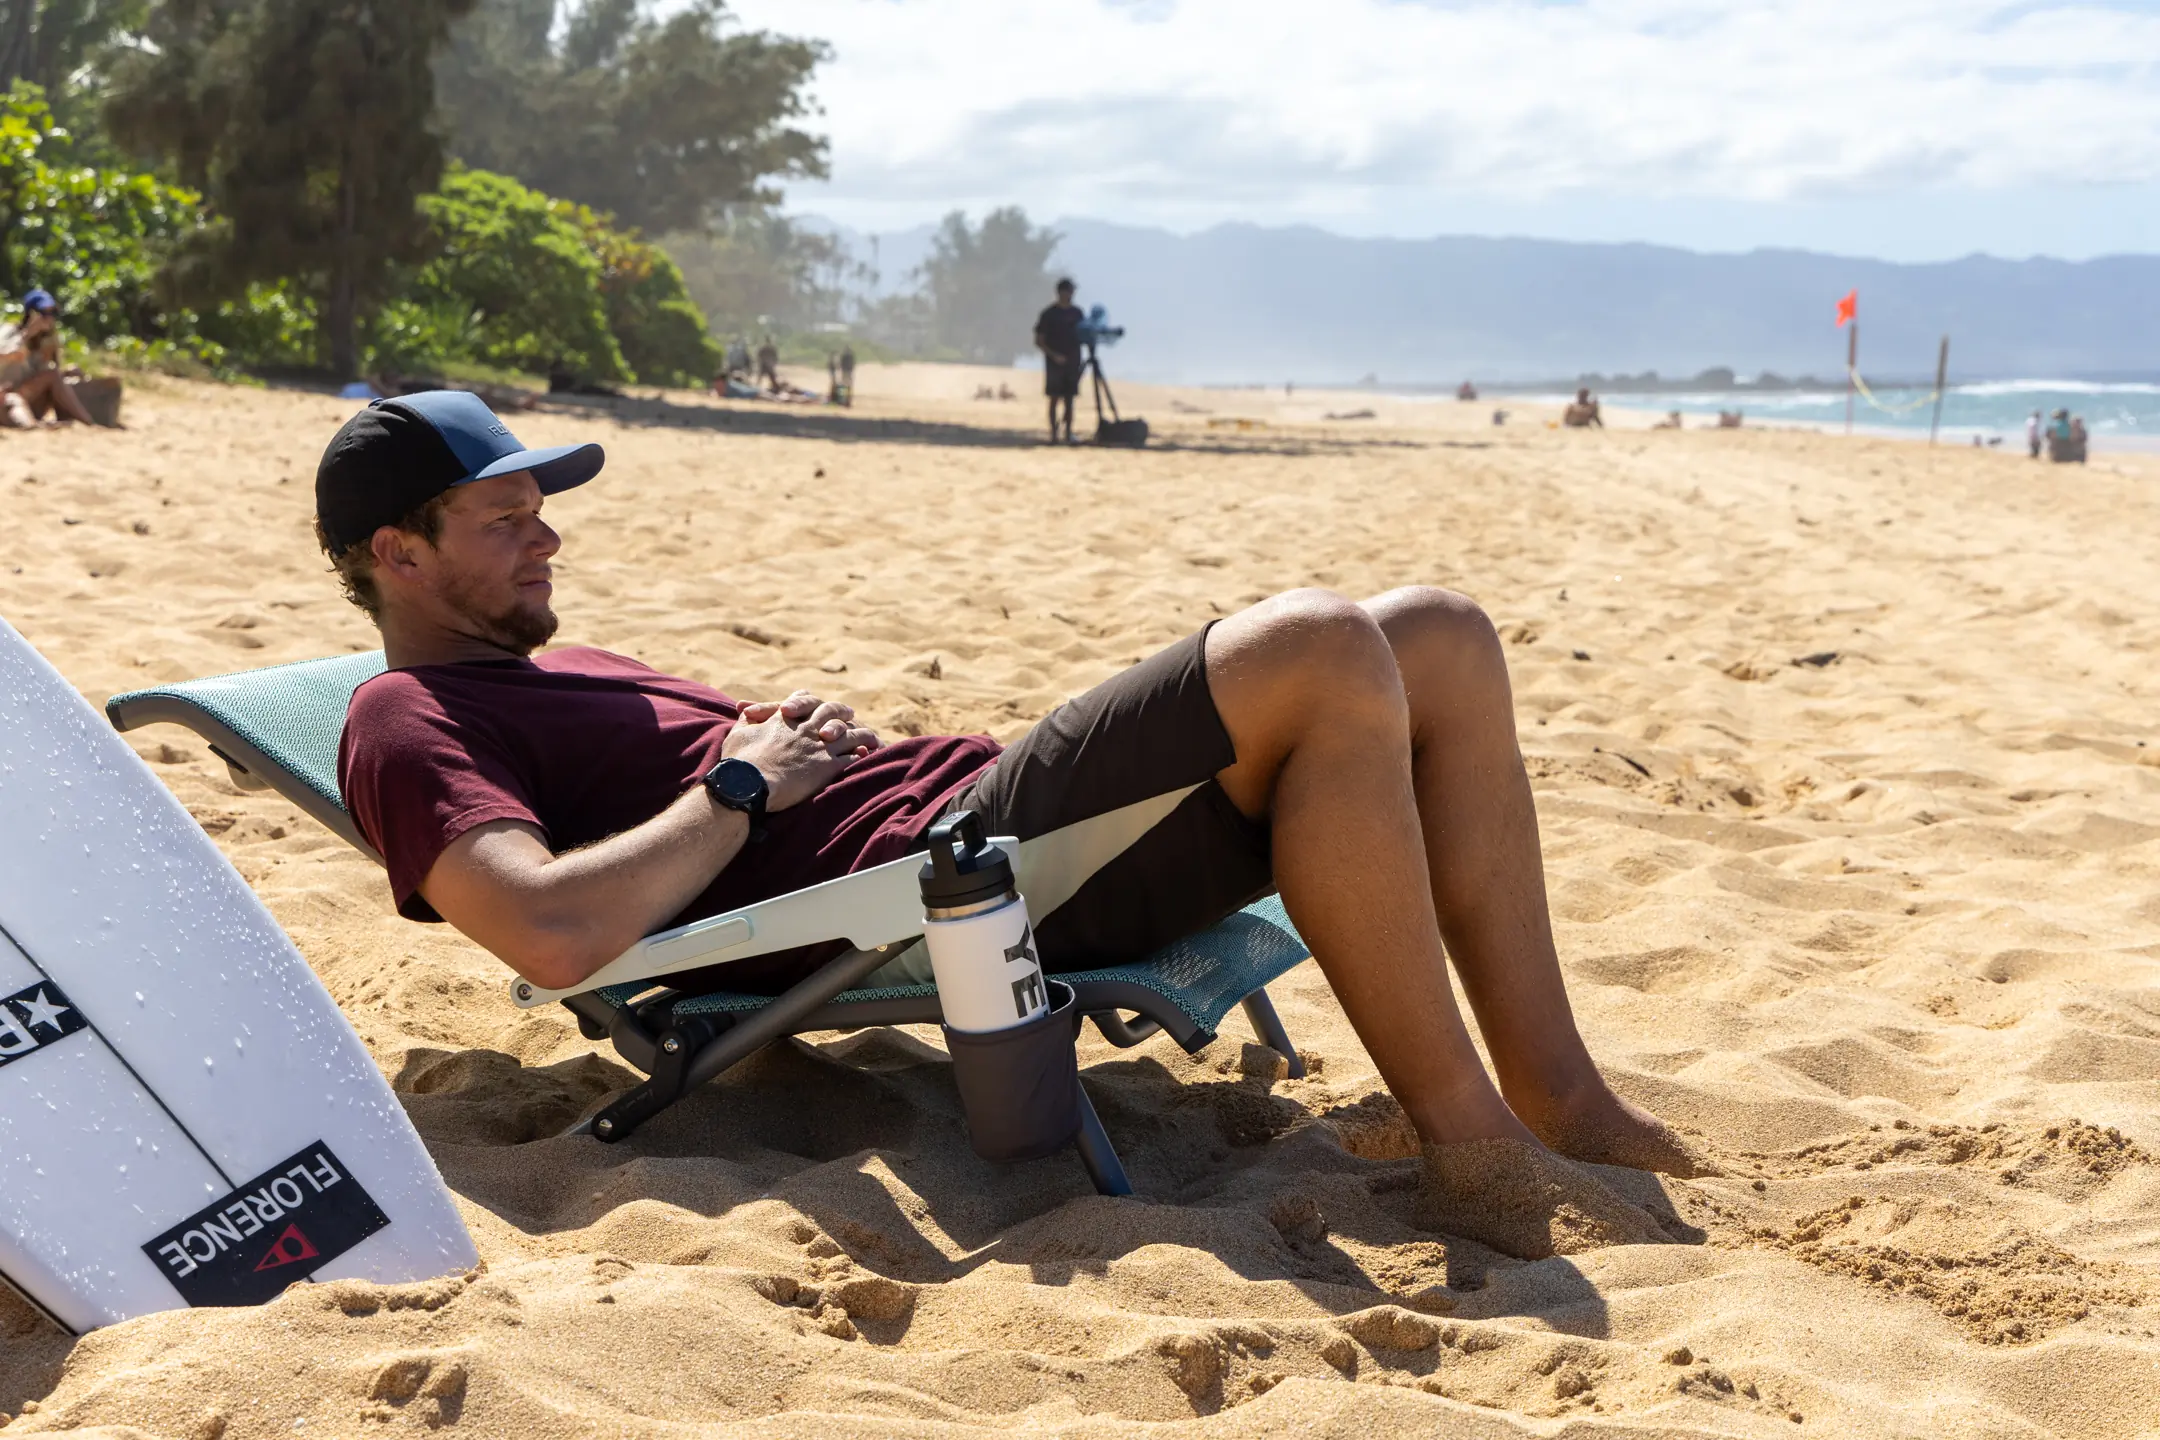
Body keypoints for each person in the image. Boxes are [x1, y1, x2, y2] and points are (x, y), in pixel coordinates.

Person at [314, 391, 1711, 1261]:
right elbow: (549, 931)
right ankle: (1471, 1148)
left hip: (975, 816)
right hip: (956, 877)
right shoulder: (405, 722)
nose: (547, 537)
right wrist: (741, 787)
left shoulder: (539, 672)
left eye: (542, 513)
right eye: (505, 521)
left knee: (1446, 638)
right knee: (1325, 642)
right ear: (401, 554)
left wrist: (773, 746)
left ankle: (1559, 1097)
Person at [0, 289, 100, 429]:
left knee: (65, 373)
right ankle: (89, 422)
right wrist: (27, 334)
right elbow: (5, 354)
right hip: (8, 394)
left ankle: (85, 421)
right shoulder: (10, 331)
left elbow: (48, 371)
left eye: (52, 313)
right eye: (44, 314)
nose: (50, 318)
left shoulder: (46, 340)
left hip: (31, 396)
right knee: (51, 374)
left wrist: (67, 372)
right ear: (31, 314)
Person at [1034, 279, 1084, 443]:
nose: (1070, 295)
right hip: (1054, 362)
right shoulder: (1049, 314)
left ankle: (1068, 432)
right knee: (1054, 398)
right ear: (1061, 292)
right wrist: (1054, 355)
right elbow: (1039, 340)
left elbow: (1083, 334)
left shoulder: (1077, 313)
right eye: (1068, 292)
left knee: (1070, 400)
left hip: (1072, 361)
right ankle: (1054, 434)